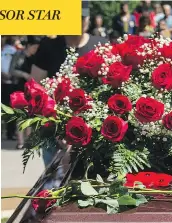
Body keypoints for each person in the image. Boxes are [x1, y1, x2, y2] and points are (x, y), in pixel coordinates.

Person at [31, 10, 107, 167]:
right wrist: (57, 126)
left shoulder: (100, 44)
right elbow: (36, 88)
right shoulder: (49, 46)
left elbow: (107, 90)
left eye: (84, 17)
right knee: (55, 184)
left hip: (93, 133)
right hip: (55, 132)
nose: (81, 21)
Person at [9, 36, 42, 149]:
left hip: (32, 89)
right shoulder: (19, 55)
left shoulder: (37, 57)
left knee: (30, 115)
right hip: (19, 88)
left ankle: (28, 140)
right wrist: (24, 75)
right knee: (20, 115)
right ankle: (20, 141)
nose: (35, 50)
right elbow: (11, 70)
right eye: (34, 47)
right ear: (28, 46)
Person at [1, 36, 18, 140]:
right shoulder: (15, 52)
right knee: (11, 109)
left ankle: (9, 131)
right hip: (11, 82)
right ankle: (10, 132)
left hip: (5, 82)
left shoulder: (9, 51)